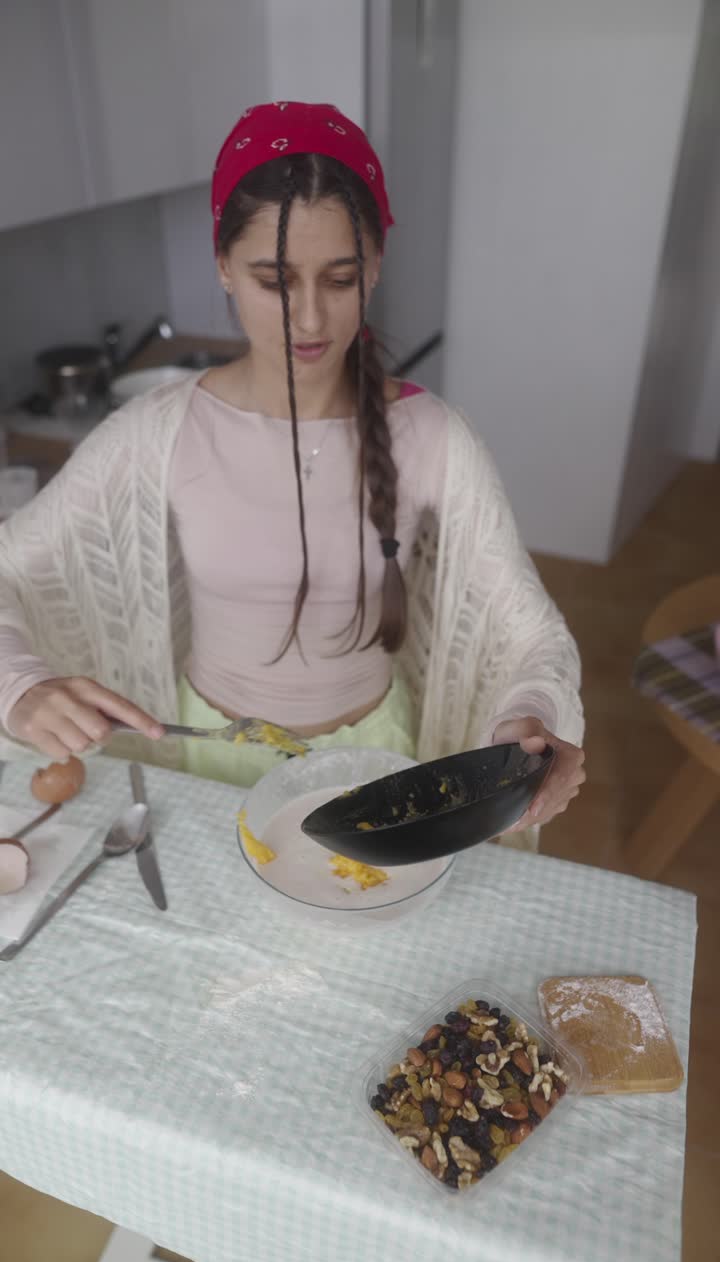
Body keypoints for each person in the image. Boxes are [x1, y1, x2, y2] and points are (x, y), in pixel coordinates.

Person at [0, 101, 584, 839]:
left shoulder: (433, 436)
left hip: (371, 772)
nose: (309, 321)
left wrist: (528, 721)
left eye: (339, 280)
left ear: (373, 266)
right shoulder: (157, 433)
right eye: (275, 281)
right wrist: (20, 687)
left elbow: (533, 637)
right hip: (206, 767)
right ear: (221, 267)